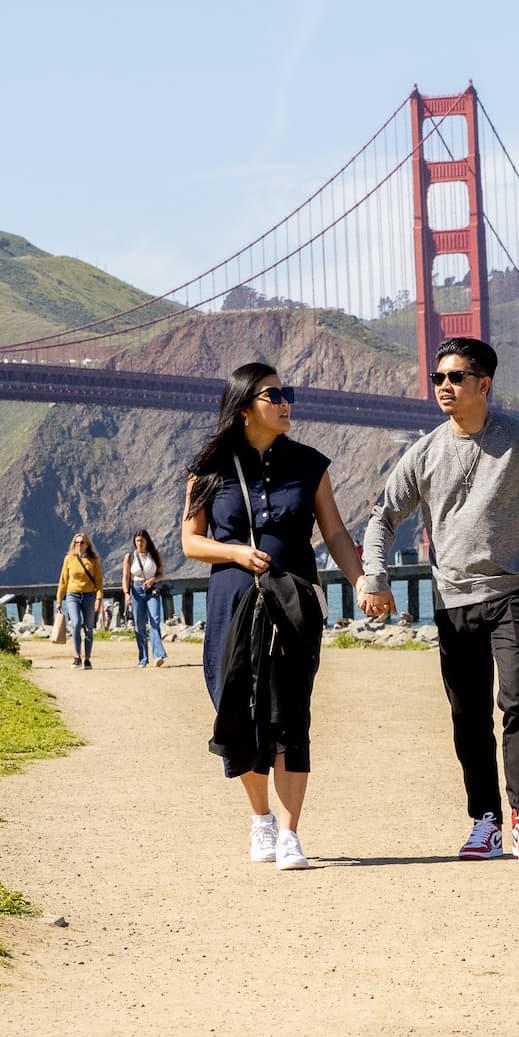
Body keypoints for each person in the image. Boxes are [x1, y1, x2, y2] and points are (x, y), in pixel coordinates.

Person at [360, 336, 519, 864]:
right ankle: (484, 820)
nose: (444, 386)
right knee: (467, 715)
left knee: (517, 701)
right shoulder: (424, 452)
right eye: (439, 378)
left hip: (515, 591)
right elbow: (382, 518)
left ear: (483, 384)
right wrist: (375, 575)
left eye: (455, 377)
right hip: (454, 600)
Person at [183, 362, 365, 872]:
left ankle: (289, 833)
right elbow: (189, 540)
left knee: (291, 715)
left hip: (292, 604)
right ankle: (259, 817)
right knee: (238, 711)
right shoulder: (210, 470)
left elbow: (334, 534)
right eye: (273, 394)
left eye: (289, 393)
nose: (286, 402)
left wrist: (363, 582)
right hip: (233, 603)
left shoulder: (310, 464)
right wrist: (237, 554)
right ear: (245, 407)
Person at [55, 532, 103, 670]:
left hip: (89, 596)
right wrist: (59, 600)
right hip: (72, 595)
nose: (79, 545)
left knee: (88, 628)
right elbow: (63, 581)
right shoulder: (68, 559)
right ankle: (77, 657)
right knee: (76, 624)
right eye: (76, 542)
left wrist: (98, 599)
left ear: (87, 545)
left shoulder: (94, 560)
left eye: (82, 542)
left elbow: (99, 582)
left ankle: (87, 659)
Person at [124, 529, 170, 669]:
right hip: (136, 591)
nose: (140, 543)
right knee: (139, 625)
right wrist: (127, 593)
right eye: (137, 541)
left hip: (152, 590)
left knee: (155, 621)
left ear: (147, 541)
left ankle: (158, 655)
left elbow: (161, 574)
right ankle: (143, 658)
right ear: (134, 542)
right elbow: (126, 576)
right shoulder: (129, 557)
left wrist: (152, 580)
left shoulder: (154, 555)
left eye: (142, 541)